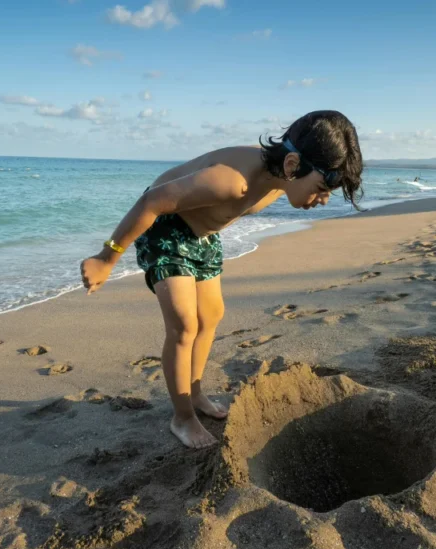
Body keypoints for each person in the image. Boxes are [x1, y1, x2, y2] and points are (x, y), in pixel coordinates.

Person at [79, 111, 364, 449]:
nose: (322, 200)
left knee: (211, 316)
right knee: (184, 324)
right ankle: (182, 417)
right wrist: (107, 257)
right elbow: (153, 201)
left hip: (204, 235)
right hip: (166, 228)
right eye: (320, 189)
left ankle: (195, 394)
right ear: (292, 165)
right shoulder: (232, 180)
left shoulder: (281, 176)